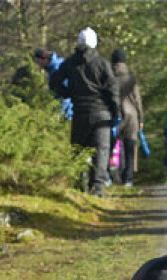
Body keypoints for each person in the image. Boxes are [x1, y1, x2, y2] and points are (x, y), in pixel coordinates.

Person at [52, 27, 119, 198]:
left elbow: (54, 81)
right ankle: (98, 188)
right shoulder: (102, 64)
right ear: (94, 43)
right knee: (101, 151)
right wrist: (115, 111)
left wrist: (68, 93)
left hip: (80, 111)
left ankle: (77, 185)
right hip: (101, 112)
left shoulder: (70, 63)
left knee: (78, 150)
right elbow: (112, 89)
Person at [110, 48, 143, 187]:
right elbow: (137, 99)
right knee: (130, 150)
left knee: (112, 148)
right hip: (132, 117)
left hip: (115, 116)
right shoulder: (131, 77)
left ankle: (110, 177)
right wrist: (141, 119)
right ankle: (128, 179)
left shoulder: (109, 76)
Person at [32, 47, 72, 120]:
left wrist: (58, 113)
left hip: (67, 113)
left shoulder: (57, 69)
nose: (38, 65)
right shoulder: (51, 68)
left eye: (38, 62)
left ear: (44, 59)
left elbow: (66, 94)